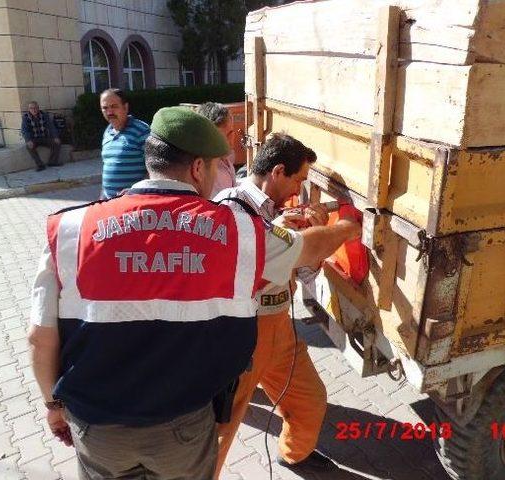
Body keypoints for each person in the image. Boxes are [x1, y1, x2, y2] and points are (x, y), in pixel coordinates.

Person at [28, 107, 361, 480]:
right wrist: (348, 226)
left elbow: (40, 339)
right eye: (218, 164)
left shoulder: (70, 229)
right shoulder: (235, 230)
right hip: (182, 426)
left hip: (97, 428)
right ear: (198, 168)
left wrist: (53, 405)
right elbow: (307, 249)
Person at [213, 133, 338, 476]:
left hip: (279, 328)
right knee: (220, 430)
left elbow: (305, 272)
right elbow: (243, 265)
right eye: (297, 179)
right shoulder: (231, 203)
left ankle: (294, 454)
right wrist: (287, 236)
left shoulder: (274, 210)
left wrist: (307, 240)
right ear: (278, 171)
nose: (298, 189)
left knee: (310, 401)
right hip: (243, 335)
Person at [100, 88, 150, 199]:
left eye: (114, 106)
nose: (109, 112)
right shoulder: (107, 132)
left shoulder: (142, 131)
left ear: (125, 107)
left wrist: (137, 191)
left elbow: (155, 167)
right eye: (105, 108)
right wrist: (101, 199)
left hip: (135, 204)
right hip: (110, 203)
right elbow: (107, 168)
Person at [196, 102, 236, 198]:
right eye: (222, 137)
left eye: (231, 132)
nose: (230, 140)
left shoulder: (226, 158)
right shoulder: (204, 173)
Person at [21, 101, 61, 171]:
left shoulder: (44, 115)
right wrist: (28, 140)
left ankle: (52, 162)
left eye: (35, 108)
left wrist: (55, 137)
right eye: (31, 108)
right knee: (29, 147)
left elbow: (51, 127)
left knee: (57, 143)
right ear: (29, 109)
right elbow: (25, 130)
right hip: (34, 139)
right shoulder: (25, 117)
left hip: (44, 137)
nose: (34, 110)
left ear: (38, 108)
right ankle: (40, 165)